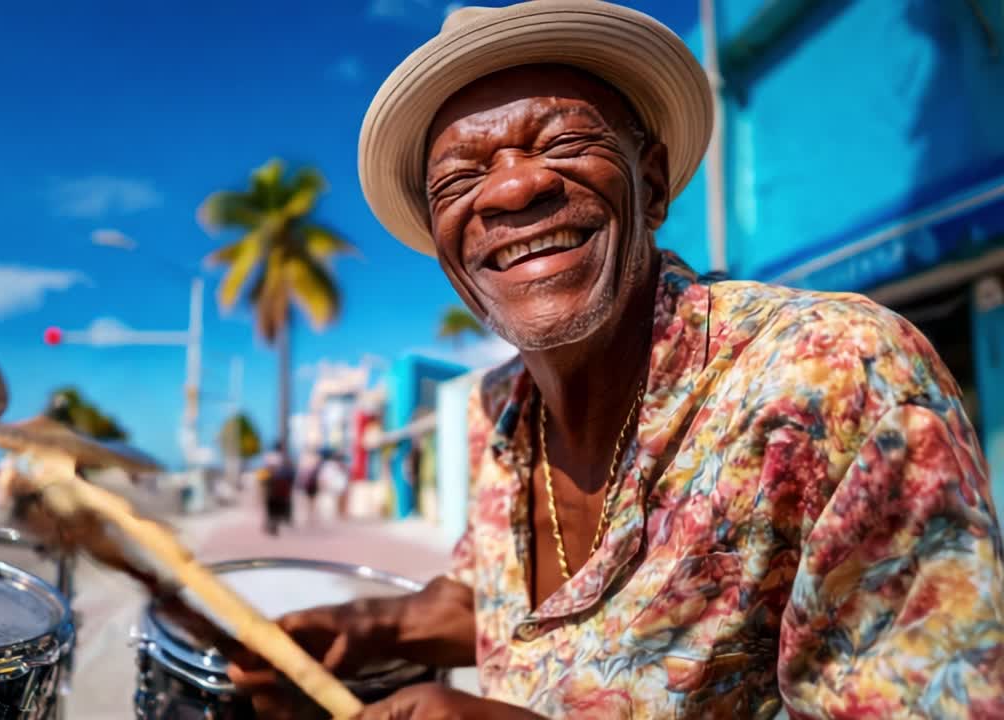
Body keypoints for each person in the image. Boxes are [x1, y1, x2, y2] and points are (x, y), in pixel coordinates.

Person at [229, 2, 1004, 717]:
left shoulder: (832, 376)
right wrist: (370, 628)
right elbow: (498, 603)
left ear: (653, 185)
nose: (513, 188)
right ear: (445, 249)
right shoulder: (499, 410)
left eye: (563, 143)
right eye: (460, 179)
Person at [257, 442, 295, 536]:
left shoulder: (269, 457)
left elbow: (262, 475)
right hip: (280, 488)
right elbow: (290, 474)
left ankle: (271, 523)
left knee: (271, 508)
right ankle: (274, 524)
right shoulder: (284, 458)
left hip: (271, 488)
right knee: (277, 508)